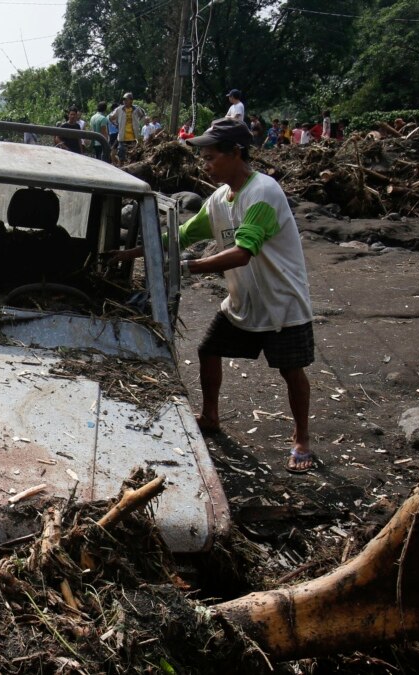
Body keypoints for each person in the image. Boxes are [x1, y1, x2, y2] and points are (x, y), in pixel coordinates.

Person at [106, 118, 316, 472]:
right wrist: (134, 253)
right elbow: (182, 235)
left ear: (236, 153)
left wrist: (186, 268)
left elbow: (243, 251)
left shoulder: (263, 192)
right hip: (242, 300)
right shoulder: (219, 199)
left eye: (211, 157)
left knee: (291, 372)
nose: (206, 165)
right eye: (203, 158)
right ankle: (211, 416)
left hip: (281, 301)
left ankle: (302, 439)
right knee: (208, 350)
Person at [109, 93, 146, 164]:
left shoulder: (136, 109)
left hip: (133, 137)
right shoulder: (119, 109)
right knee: (121, 154)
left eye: (126, 100)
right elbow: (111, 117)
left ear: (131, 101)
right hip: (123, 137)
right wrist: (116, 124)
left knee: (132, 156)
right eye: (124, 100)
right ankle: (121, 167)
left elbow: (143, 115)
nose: (124, 101)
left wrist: (139, 123)